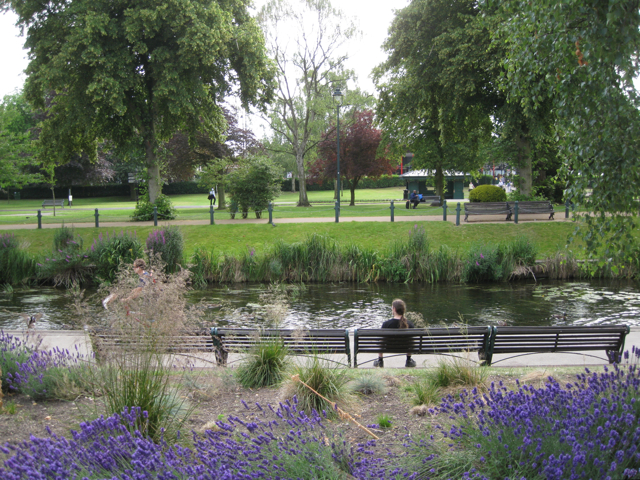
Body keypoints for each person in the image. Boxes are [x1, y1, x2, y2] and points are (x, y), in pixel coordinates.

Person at [373, 299, 416, 368]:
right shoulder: (410, 324)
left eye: (392, 308)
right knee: (410, 341)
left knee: (380, 340)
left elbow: (381, 340)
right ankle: (408, 360)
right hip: (405, 347)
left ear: (394, 309)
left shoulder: (386, 324)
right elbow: (412, 341)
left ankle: (380, 361)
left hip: (388, 347)